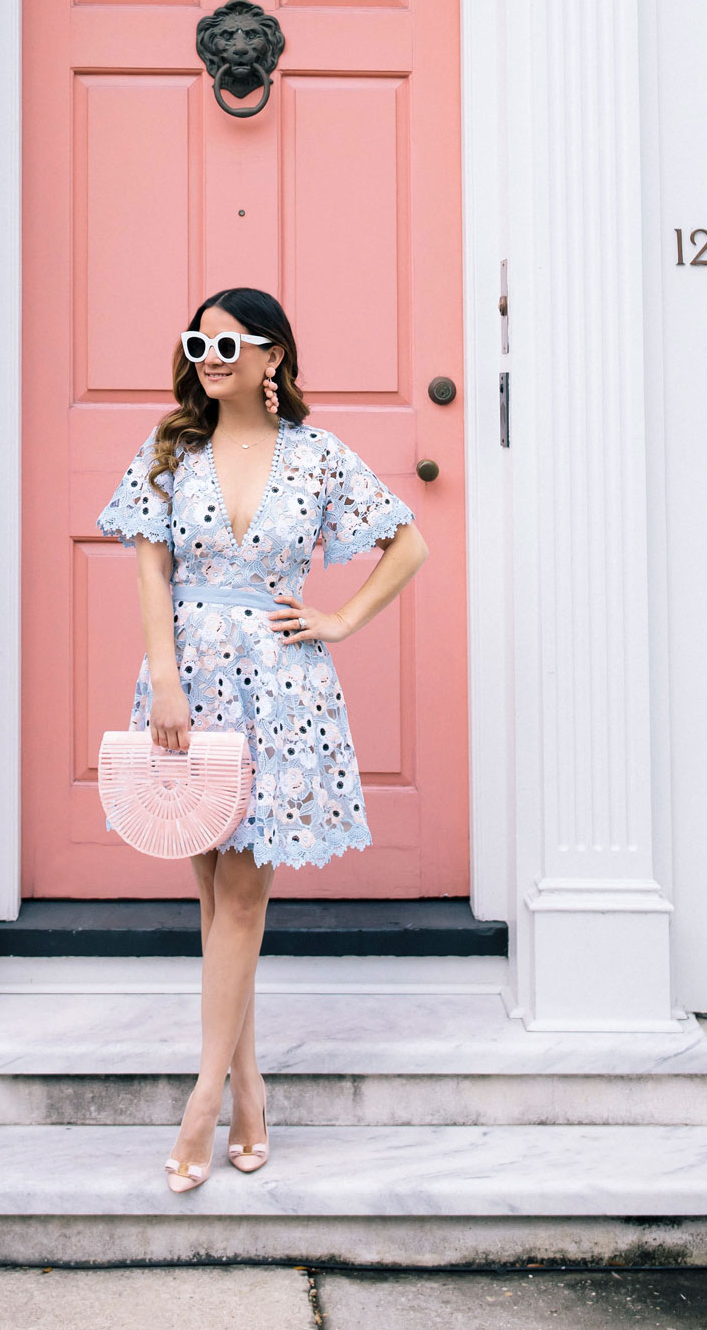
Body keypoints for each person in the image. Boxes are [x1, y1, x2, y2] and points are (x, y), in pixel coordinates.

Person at [97, 286, 428, 1193]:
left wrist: (342, 618)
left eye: (228, 342)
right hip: (189, 687)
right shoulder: (172, 448)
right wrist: (163, 681)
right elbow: (150, 570)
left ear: (273, 355)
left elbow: (408, 544)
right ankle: (251, 1087)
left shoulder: (318, 456)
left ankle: (202, 1100)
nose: (209, 354)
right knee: (213, 904)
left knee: (239, 903)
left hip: (283, 696)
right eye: (196, 340)